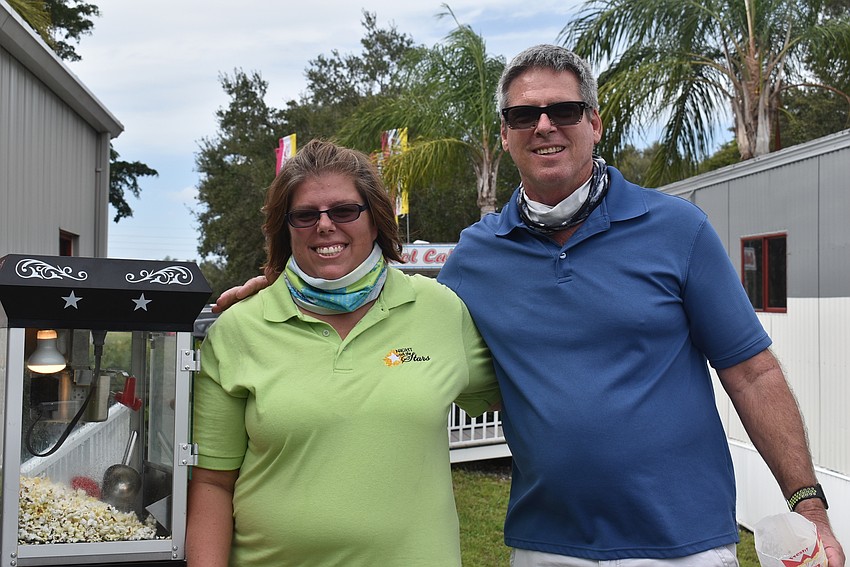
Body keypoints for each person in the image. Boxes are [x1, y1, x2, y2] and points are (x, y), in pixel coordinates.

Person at [214, 46, 845, 567]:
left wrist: (809, 504)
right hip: (547, 545)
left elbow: (754, 373)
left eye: (563, 109)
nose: (544, 125)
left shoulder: (678, 229)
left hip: (685, 543)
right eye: (524, 116)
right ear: (507, 136)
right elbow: (381, 301)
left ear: (594, 123)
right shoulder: (475, 257)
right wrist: (275, 283)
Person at [186, 139, 500, 567]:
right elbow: (211, 485)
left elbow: (523, 396)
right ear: (286, 228)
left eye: (344, 210)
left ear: (375, 221)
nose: (325, 225)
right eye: (304, 215)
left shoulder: (442, 310)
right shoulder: (239, 329)